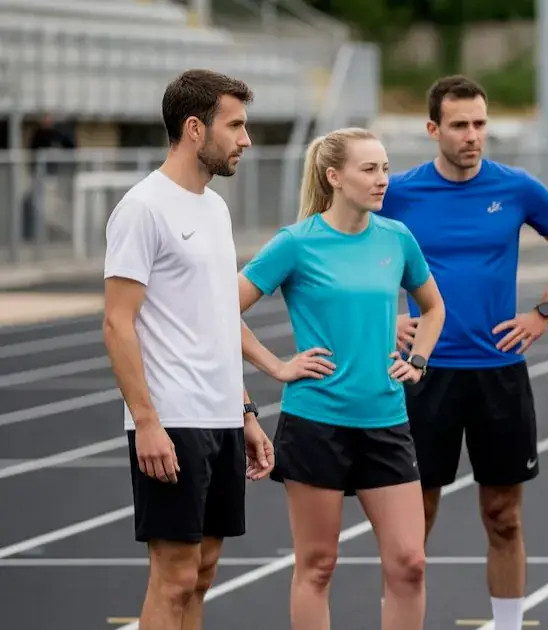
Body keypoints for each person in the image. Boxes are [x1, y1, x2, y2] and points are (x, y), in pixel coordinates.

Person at [378, 75, 548, 630]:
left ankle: (510, 624)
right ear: (433, 129)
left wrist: (543, 312)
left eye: (480, 124)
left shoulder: (517, 188)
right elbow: (346, 247)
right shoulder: (397, 192)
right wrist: (384, 320)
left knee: (503, 517)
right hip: (425, 375)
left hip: (499, 373)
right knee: (413, 521)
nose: (473, 136)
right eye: (460, 125)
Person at [237, 127, 446, 630]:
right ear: (335, 176)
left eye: (385, 169)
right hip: (316, 423)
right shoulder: (296, 243)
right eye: (369, 169)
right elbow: (222, 310)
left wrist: (416, 361)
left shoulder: (396, 238)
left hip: (386, 419)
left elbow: (434, 307)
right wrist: (277, 366)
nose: (382, 180)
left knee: (410, 565)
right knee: (318, 566)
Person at [101, 69, 274, 630]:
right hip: (171, 419)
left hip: (219, 415)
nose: (246, 140)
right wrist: (147, 423)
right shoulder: (143, 208)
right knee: (173, 575)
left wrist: (244, 410)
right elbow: (116, 323)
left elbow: (217, 321)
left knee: (202, 571)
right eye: (237, 125)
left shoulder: (215, 210)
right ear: (195, 129)